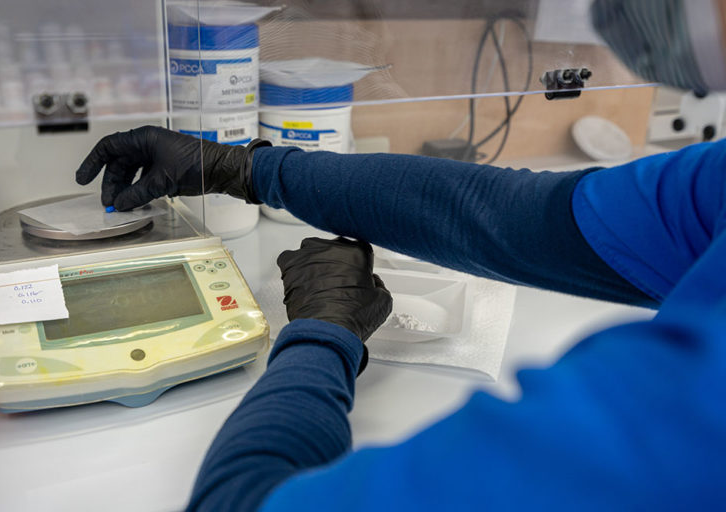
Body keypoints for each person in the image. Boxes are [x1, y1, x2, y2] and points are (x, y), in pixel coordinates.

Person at [75, 1, 726, 509]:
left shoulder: (695, 407)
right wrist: (242, 167)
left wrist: (321, 336)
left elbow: (243, 503)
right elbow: (521, 218)